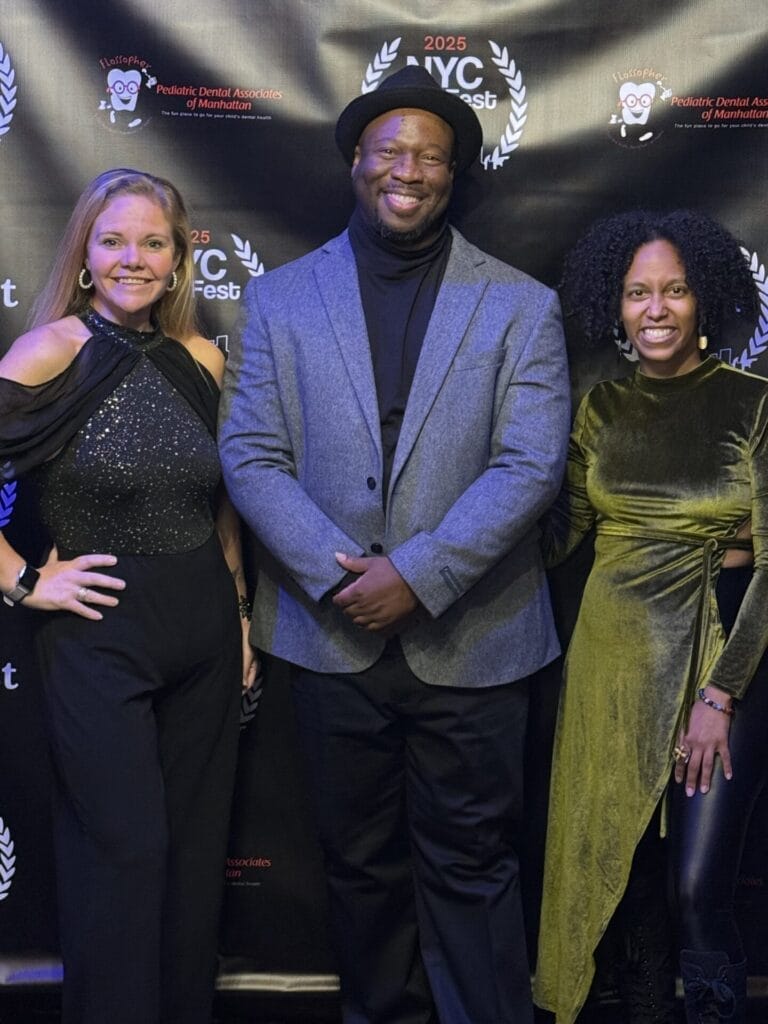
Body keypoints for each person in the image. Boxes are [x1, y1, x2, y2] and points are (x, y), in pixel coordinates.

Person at [219, 64, 570, 1024]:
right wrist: (342, 583)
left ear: (453, 176)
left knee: (473, 867)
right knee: (360, 870)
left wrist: (416, 576)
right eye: (390, 150)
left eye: (430, 156)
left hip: (477, 639)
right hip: (332, 641)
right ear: (357, 163)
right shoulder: (283, 299)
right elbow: (249, 455)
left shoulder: (520, 306)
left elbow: (531, 466)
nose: (407, 169)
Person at [0, 168, 257, 1024]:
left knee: (189, 861)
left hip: (206, 635)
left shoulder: (203, 360)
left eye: (154, 242)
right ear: (84, 254)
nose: (134, 259)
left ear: (180, 258)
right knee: (124, 852)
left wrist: (242, 615)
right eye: (114, 241)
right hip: (96, 636)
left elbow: (220, 507)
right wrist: (26, 580)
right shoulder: (50, 354)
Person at [533, 209, 767, 1024]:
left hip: (722, 653)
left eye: (674, 290)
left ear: (704, 301)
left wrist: (719, 695)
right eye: (638, 293)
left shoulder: (753, 404)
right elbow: (558, 540)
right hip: (611, 658)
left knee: (697, 881)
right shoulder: (599, 409)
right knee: (621, 869)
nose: (657, 309)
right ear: (616, 306)